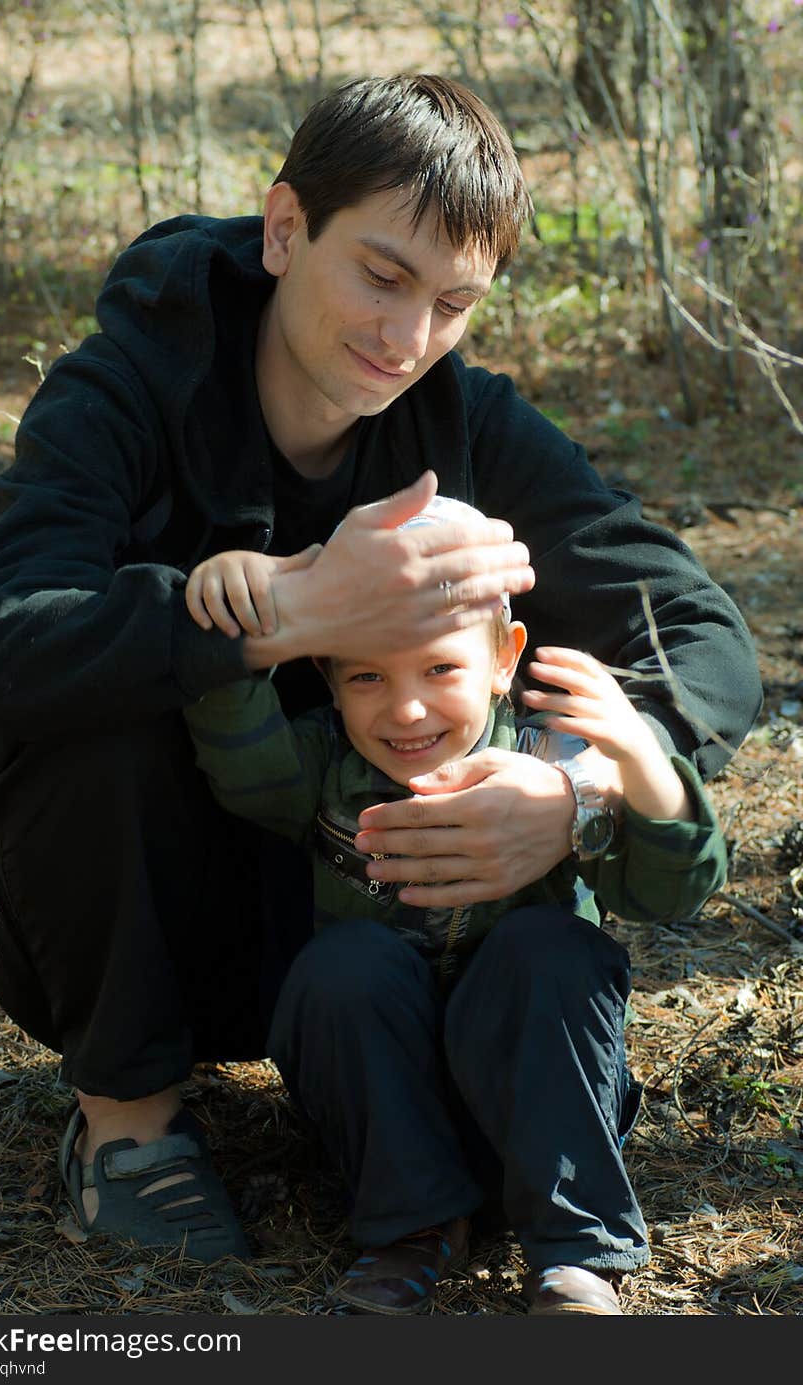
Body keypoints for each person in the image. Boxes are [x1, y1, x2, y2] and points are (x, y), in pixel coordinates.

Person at [0, 73, 760, 1271]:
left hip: (366, 942)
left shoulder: (465, 427)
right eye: (380, 275)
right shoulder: (124, 390)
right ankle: (126, 1132)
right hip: (127, 928)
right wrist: (285, 610)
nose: (406, 336)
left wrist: (572, 793)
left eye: (452, 302)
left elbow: (695, 626)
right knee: (98, 688)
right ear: (284, 230)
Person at [182, 494, 727, 1315]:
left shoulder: (553, 755)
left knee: (547, 950)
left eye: (441, 669)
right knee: (339, 968)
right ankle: (413, 1230)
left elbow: (671, 889)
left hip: (545, 1106)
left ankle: (576, 1253)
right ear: (325, 672)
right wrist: (242, 615)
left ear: (505, 656)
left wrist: (640, 762)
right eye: (366, 675)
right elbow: (240, 760)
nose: (405, 709)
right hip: (386, 1122)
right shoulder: (322, 770)